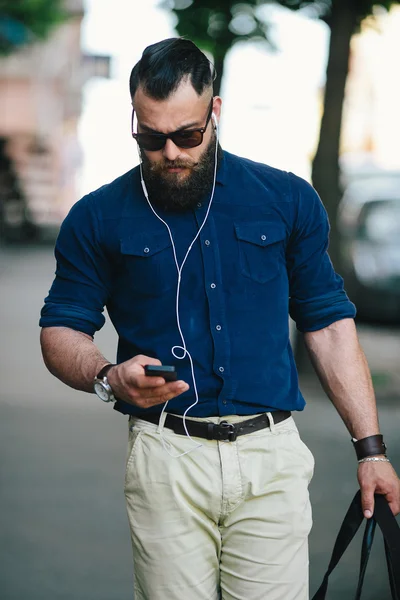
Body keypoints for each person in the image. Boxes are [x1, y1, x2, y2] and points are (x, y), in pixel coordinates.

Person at [39, 37, 400, 600]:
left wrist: (371, 451)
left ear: (215, 112)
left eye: (187, 135)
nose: (171, 152)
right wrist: (107, 377)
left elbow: (327, 326)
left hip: (271, 457)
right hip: (166, 455)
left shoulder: (286, 200)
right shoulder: (95, 217)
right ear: (133, 118)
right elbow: (61, 329)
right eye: (152, 137)